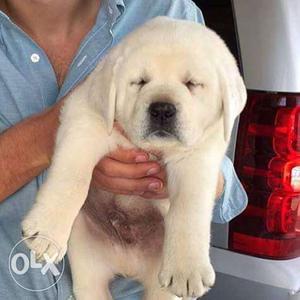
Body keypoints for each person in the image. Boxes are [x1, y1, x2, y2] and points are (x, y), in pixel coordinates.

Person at [0, 0, 247, 299]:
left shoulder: (168, 9)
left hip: (152, 256)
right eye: (141, 81)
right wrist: (58, 133)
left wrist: (185, 180)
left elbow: (219, 170)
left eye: (190, 82)